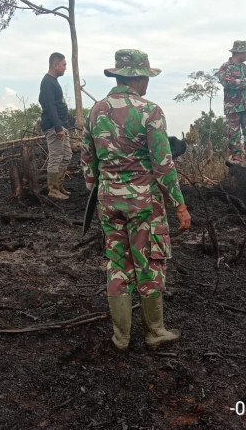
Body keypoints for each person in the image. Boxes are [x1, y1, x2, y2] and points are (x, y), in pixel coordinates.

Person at [81, 49, 191, 351]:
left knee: (117, 265)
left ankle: (121, 337)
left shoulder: (96, 111)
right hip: (144, 205)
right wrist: (178, 204)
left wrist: (100, 190)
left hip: (108, 203)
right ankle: (154, 332)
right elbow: (163, 164)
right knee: (149, 264)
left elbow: (87, 162)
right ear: (139, 78)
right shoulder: (150, 111)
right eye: (146, 79)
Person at [39, 52, 73, 199]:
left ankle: (59, 186)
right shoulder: (47, 82)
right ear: (55, 65)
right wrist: (58, 127)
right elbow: (49, 106)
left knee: (66, 155)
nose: (65, 68)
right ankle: (53, 190)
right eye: (64, 65)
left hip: (60, 125)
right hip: (54, 126)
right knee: (56, 157)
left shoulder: (53, 81)